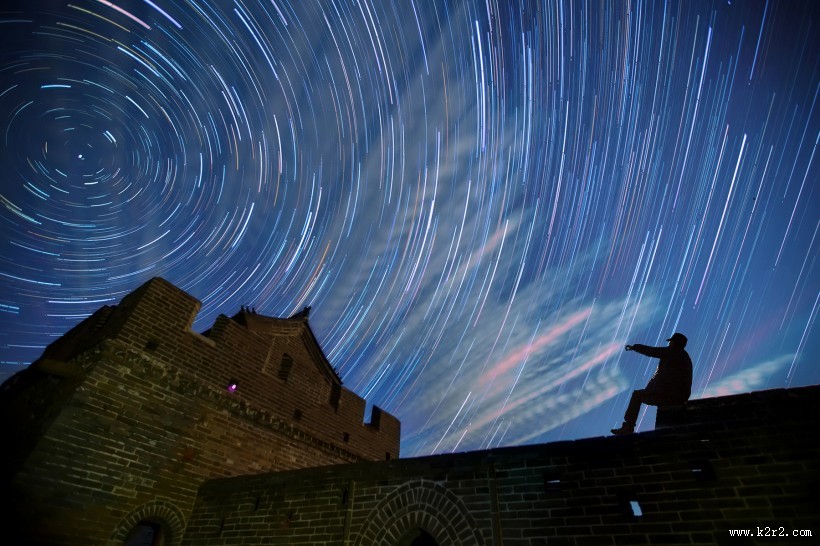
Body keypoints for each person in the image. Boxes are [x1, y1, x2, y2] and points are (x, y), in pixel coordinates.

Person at [611, 332, 693, 435]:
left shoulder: (671, 352)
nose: (669, 344)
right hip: (680, 397)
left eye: (671, 342)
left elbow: (651, 351)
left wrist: (634, 347)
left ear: (674, 343)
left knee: (637, 395)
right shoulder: (686, 358)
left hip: (667, 395)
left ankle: (628, 427)